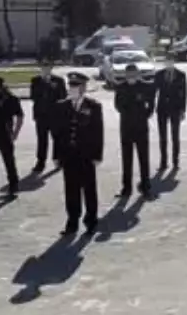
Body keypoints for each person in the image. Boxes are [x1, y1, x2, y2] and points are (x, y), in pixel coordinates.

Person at [52, 72, 105, 235]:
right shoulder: (61, 106)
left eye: (76, 86)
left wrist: (97, 155)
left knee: (89, 188)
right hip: (69, 155)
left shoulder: (93, 106)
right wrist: (56, 155)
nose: (72, 89)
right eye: (71, 86)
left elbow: (98, 132)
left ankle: (91, 221)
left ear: (83, 87)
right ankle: (72, 221)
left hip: (86, 155)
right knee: (71, 189)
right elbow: (58, 134)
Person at [115, 63, 155, 196]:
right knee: (126, 159)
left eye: (134, 74)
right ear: (126, 75)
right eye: (129, 74)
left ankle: (145, 186)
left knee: (144, 158)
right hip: (126, 127)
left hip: (141, 127)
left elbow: (151, 103)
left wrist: (145, 115)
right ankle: (126, 188)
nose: (131, 77)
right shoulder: (121, 87)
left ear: (138, 74)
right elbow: (117, 105)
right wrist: (127, 114)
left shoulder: (144, 86)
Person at [29, 58, 66, 173]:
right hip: (41, 115)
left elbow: (63, 96)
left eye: (48, 67)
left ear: (51, 68)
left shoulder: (58, 80)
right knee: (42, 140)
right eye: (43, 67)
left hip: (55, 115)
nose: (45, 69)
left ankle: (58, 159)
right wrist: (44, 84)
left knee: (57, 139)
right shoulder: (35, 81)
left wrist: (50, 85)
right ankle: (41, 162)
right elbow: (33, 96)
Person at [153, 52, 187, 171]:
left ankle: (175, 162)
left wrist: (183, 110)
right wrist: (151, 107)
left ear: (174, 62)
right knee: (163, 137)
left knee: (175, 136)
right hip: (162, 108)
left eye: (171, 61)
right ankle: (163, 162)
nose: (169, 63)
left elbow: (184, 94)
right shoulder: (159, 75)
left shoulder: (181, 75)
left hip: (175, 108)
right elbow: (153, 92)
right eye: (167, 61)